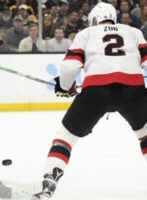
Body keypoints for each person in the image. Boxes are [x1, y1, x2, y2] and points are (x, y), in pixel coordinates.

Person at [34, 2, 147, 199]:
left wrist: (67, 87)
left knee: (66, 136)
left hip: (97, 90)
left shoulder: (86, 34)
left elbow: (69, 68)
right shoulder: (133, 31)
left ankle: (49, 182)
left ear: (94, 19)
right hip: (133, 89)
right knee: (145, 134)